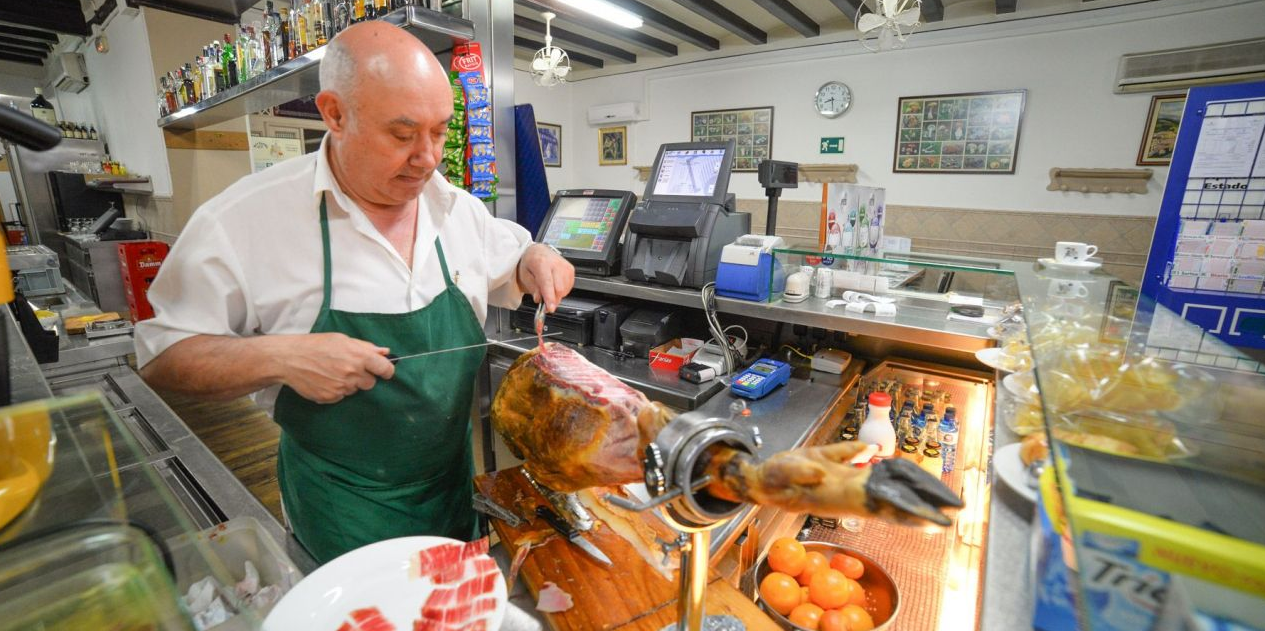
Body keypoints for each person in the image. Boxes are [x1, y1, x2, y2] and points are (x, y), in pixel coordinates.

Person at [136, 22, 575, 563]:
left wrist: (536, 257)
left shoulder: (456, 209)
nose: (428, 157)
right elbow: (162, 358)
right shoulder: (244, 219)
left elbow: (515, 256)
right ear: (334, 114)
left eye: (439, 132)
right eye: (402, 134)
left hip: (450, 492)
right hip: (342, 513)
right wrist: (281, 357)